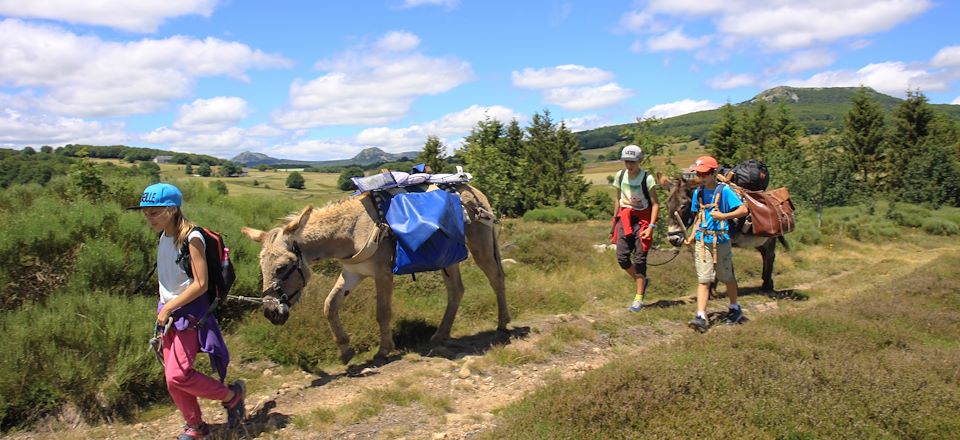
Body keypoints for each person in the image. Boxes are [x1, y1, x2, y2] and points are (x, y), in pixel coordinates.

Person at [131, 183, 245, 439]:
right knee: (172, 379)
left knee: (179, 374)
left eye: (154, 212)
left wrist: (170, 306)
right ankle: (196, 427)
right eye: (145, 213)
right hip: (168, 313)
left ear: (171, 210)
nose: (148, 218)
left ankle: (232, 396)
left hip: (188, 314)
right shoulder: (163, 236)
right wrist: (164, 308)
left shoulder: (192, 238)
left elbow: (201, 283)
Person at [682, 156, 749, 333]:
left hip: (721, 241)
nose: (701, 177)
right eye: (699, 174)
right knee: (704, 279)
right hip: (703, 242)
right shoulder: (699, 192)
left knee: (727, 277)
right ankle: (701, 316)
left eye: (705, 174)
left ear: (713, 173)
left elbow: (743, 210)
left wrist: (724, 216)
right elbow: (699, 217)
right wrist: (692, 236)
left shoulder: (725, 191)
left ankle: (735, 308)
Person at [610, 145, 659, 312]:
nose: (629, 165)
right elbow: (618, 199)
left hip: (643, 220)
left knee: (639, 260)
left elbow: (655, 204)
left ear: (640, 161)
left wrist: (651, 226)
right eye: (626, 161)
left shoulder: (647, 178)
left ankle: (638, 298)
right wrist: (614, 221)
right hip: (625, 218)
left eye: (632, 161)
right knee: (622, 258)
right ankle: (642, 281)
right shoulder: (620, 175)